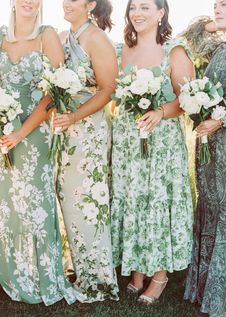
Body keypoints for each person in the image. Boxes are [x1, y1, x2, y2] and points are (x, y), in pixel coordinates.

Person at [110, 0, 195, 305]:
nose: (138, 13)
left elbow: (190, 99)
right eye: (133, 7)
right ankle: (135, 271)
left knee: (157, 203)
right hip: (127, 143)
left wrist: (160, 112)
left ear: (161, 13)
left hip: (161, 145)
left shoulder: (174, 50)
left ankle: (159, 275)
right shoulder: (120, 51)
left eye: (146, 7)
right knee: (132, 201)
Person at [0, 0, 77, 305]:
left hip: (34, 132)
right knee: (7, 205)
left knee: (34, 201)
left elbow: (54, 91)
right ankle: (10, 271)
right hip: (4, 131)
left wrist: (21, 131)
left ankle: (39, 274)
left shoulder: (47, 35)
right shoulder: (1, 35)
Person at [53, 0, 119, 303]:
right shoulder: (66, 36)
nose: (66, 3)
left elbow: (108, 89)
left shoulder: (97, 38)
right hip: (65, 132)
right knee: (70, 201)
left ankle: (98, 280)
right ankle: (82, 270)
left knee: (90, 202)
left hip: (88, 131)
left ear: (90, 4)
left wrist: (75, 117)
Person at [184, 1, 226, 316]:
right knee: (211, 209)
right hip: (210, 150)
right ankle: (205, 288)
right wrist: (212, 24)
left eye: (225, 4)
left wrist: (220, 120)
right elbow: (188, 37)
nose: (217, 7)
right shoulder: (218, 49)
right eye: (215, 3)